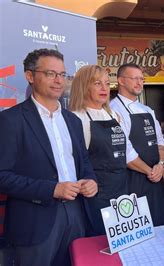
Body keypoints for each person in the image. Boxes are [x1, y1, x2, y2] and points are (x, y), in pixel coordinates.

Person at [0, 49, 98, 265]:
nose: (58, 81)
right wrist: (51, 189)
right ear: (30, 76)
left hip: (76, 215)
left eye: (62, 74)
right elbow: (2, 176)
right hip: (34, 222)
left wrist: (91, 181)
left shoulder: (72, 120)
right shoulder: (11, 120)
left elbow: (84, 162)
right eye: (50, 73)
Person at [69, 65, 155, 235]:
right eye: (97, 83)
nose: (104, 88)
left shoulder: (113, 115)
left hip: (122, 189)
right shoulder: (76, 118)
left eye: (107, 84)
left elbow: (126, 153)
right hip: (96, 193)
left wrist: (153, 169)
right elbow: (74, 162)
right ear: (84, 86)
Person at [110, 63, 164, 226]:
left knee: (159, 223)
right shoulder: (113, 110)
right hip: (132, 180)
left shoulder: (147, 110)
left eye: (141, 79)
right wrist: (150, 171)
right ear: (120, 80)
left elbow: (160, 141)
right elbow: (124, 150)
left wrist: (161, 165)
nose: (139, 82)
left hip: (155, 177)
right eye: (134, 78)